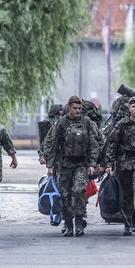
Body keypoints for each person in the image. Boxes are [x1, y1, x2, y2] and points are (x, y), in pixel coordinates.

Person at [42, 95, 102, 237]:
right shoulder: (61, 123)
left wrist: (93, 164)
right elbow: (53, 144)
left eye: (80, 108)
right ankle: (68, 223)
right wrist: (50, 165)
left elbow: (94, 144)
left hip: (81, 163)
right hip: (64, 164)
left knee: (79, 190)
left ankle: (79, 222)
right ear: (69, 108)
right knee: (65, 194)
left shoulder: (87, 122)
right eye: (75, 108)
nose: (77, 111)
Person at [105, 96, 135, 236]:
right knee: (126, 193)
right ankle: (128, 223)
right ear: (129, 109)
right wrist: (109, 163)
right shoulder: (121, 124)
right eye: (133, 106)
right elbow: (112, 144)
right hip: (124, 162)